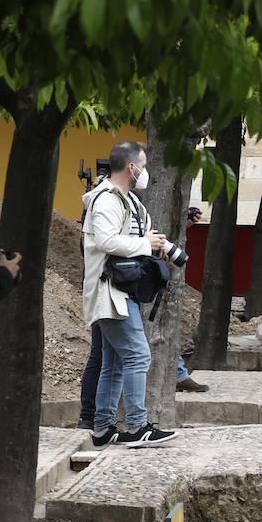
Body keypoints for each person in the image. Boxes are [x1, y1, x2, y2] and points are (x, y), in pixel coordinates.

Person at [81, 140, 178, 447]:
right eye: (144, 165)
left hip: (122, 292)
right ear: (131, 167)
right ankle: (137, 427)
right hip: (109, 293)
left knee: (115, 362)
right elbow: (108, 241)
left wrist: (158, 246)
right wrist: (145, 245)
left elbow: (140, 236)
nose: (145, 172)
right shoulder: (106, 200)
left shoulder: (131, 202)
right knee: (138, 355)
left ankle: (103, 429)